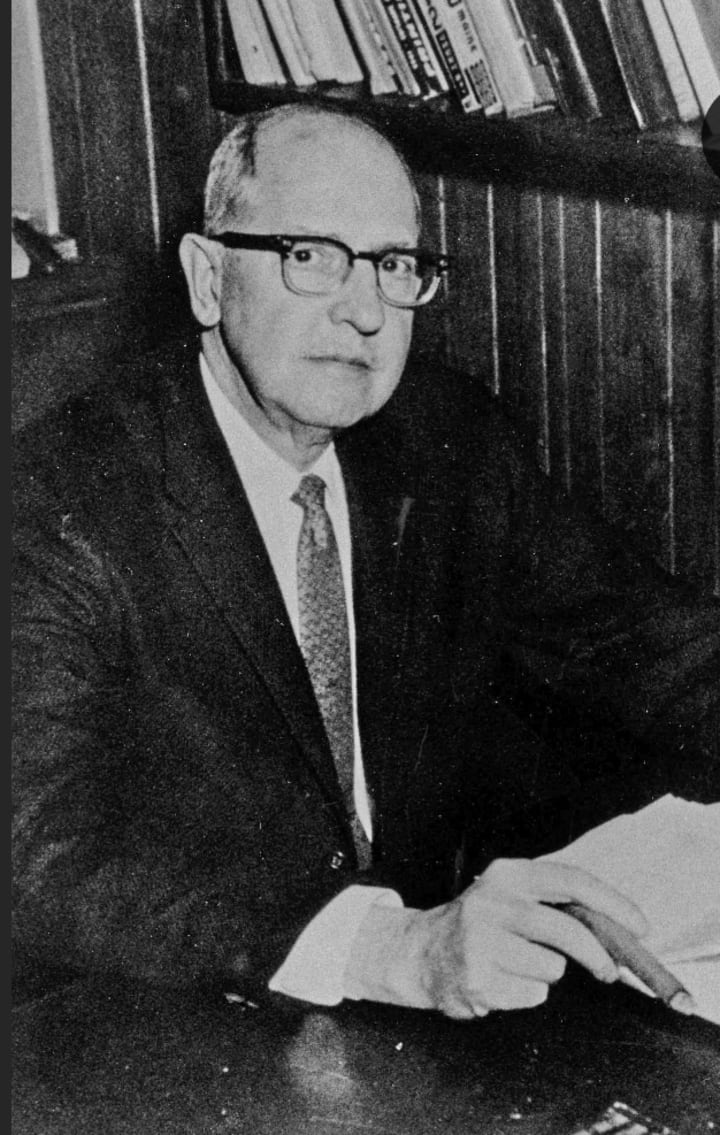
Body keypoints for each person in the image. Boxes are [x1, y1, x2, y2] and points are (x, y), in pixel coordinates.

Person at [12, 103, 719, 1019]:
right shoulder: (59, 496)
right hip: (182, 1019)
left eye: (394, 265)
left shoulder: (446, 439)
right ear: (207, 278)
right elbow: (38, 845)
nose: (364, 311)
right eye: (309, 255)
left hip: (432, 1009)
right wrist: (385, 948)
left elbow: (649, 641)